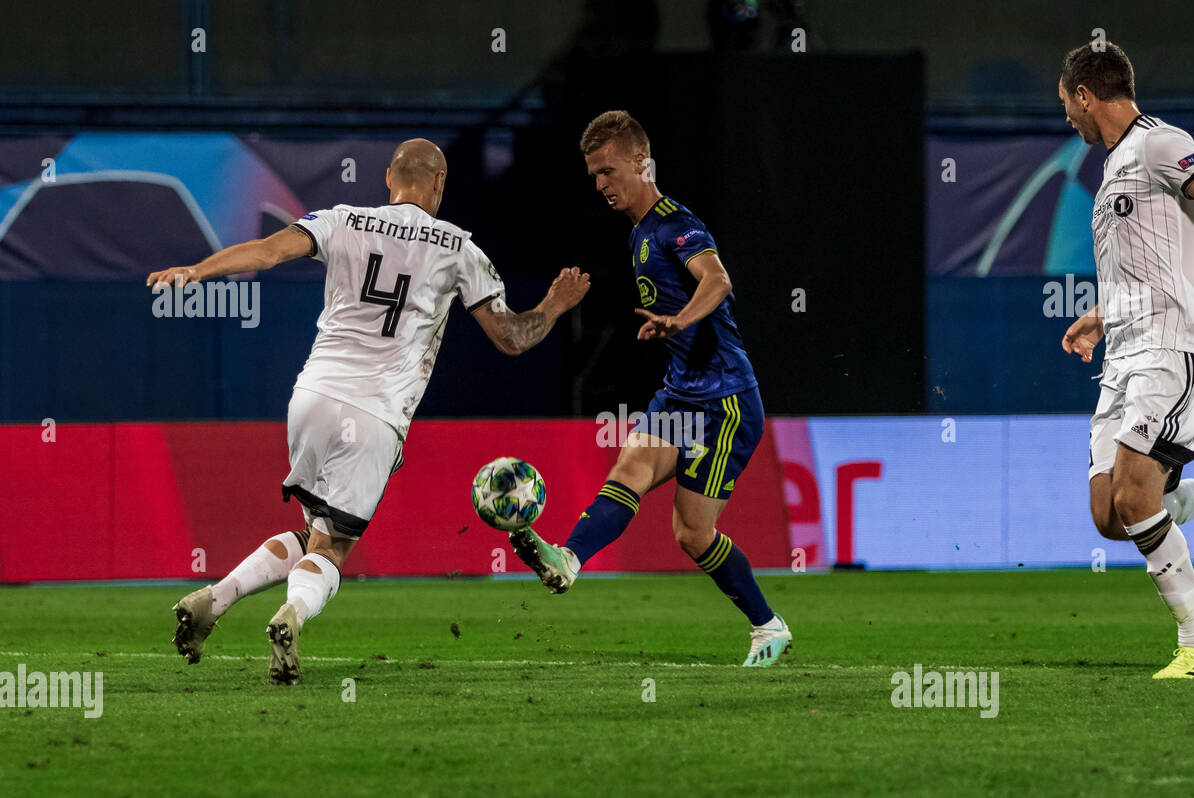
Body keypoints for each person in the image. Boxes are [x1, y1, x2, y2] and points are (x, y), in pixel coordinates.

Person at [148, 138, 590, 684]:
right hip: (375, 411)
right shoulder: (460, 248)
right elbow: (511, 338)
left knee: (311, 529)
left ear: (388, 179)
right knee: (333, 547)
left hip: (311, 395)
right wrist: (554, 304)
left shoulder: (342, 219)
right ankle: (293, 613)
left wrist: (195, 270)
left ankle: (213, 600)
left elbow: (264, 251)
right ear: (439, 184)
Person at [508, 110, 791, 667]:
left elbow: (718, 279)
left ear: (640, 161)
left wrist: (681, 320)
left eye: (609, 171)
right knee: (627, 473)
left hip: (724, 402)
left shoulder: (673, 224)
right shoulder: (638, 233)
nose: (601, 184)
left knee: (691, 533)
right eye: (594, 176)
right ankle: (567, 558)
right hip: (679, 393)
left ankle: (767, 626)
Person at [1056, 43, 1194, 679]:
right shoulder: (1110, 171)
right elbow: (1148, 266)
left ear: (1084, 95)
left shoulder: (1158, 141)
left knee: (1135, 493)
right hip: (1124, 359)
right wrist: (1102, 317)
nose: (1068, 121)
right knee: (1112, 515)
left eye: (1067, 105)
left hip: (1173, 352)